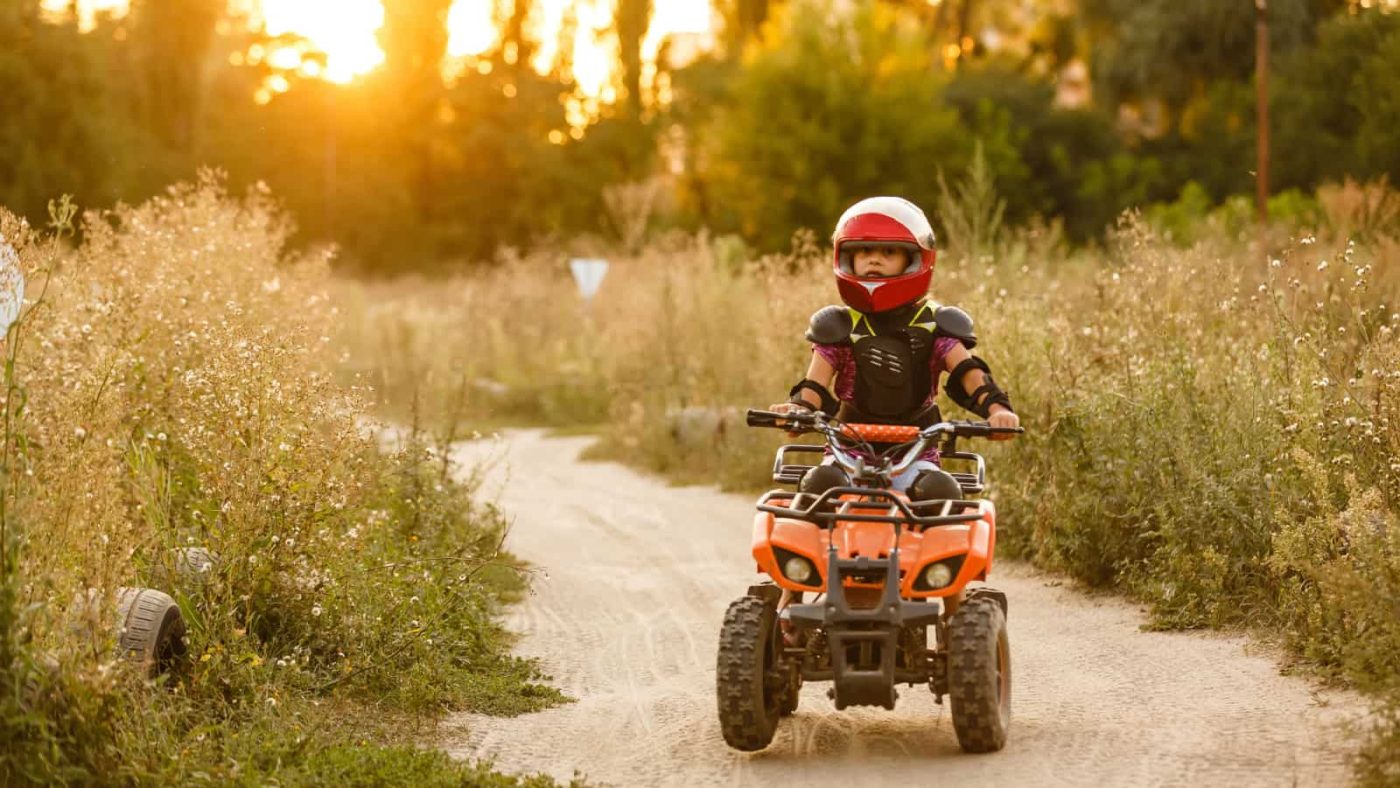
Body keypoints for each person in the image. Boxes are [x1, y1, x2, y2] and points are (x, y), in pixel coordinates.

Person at [768, 196, 1019, 499]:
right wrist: (798, 410)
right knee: (818, 486)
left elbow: (968, 372)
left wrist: (998, 409)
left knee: (940, 493)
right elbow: (814, 386)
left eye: (888, 251)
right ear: (845, 257)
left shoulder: (935, 323)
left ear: (915, 259)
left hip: (916, 456)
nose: (874, 259)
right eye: (863, 251)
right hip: (847, 453)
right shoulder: (838, 325)